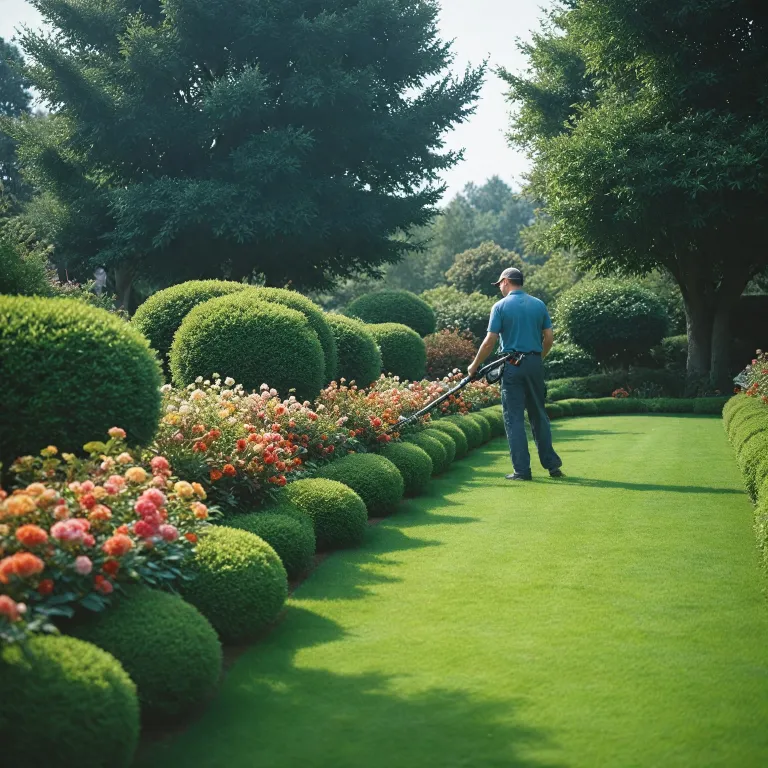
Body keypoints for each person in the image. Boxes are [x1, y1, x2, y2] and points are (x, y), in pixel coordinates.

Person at [467, 267, 563, 481]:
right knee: (539, 414)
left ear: (507, 281)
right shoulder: (539, 304)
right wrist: (539, 358)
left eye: (499, 283)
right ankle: (552, 466)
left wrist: (473, 366)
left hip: (512, 365)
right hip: (534, 364)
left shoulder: (500, 307)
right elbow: (548, 338)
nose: (499, 288)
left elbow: (489, 341)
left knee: (514, 418)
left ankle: (522, 470)